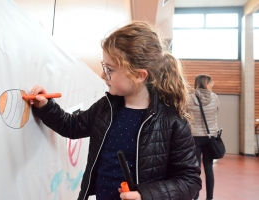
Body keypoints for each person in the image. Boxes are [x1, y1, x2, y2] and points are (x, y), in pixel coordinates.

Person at [30, 21, 201, 200]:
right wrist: (46, 106)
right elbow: (72, 126)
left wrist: (145, 195)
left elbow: (190, 182)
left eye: (109, 69)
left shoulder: (172, 122)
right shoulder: (106, 107)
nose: (103, 75)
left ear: (138, 75)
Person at [188, 74, 220, 200]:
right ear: (206, 84)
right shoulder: (215, 97)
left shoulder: (190, 98)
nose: (212, 84)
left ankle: (195, 197)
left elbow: (186, 114)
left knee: (195, 169)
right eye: (211, 82)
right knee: (208, 168)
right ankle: (209, 198)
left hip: (194, 136)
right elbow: (216, 113)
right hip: (209, 137)